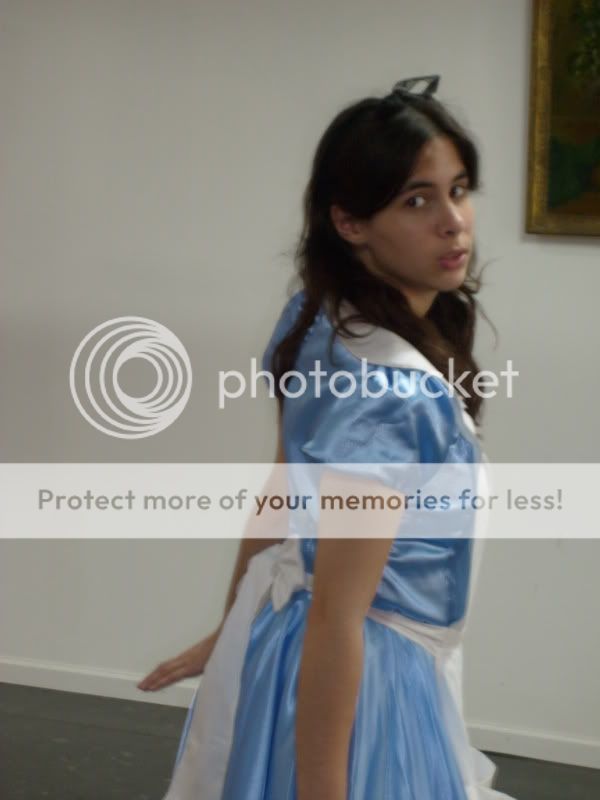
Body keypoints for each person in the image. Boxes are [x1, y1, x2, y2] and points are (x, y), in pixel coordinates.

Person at [138, 75, 518, 800]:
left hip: (287, 638)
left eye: (459, 190)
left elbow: (282, 489)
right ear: (350, 222)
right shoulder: (387, 394)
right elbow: (340, 615)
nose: (454, 223)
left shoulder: (317, 318)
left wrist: (234, 629)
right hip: (364, 681)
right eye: (416, 200)